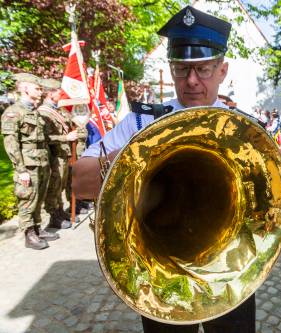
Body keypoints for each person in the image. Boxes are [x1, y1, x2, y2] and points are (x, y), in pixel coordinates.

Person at [72, 6, 255, 333]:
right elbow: (78, 182)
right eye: (182, 70)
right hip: (159, 274)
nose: (192, 81)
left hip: (230, 270)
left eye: (203, 69)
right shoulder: (142, 120)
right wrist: (117, 161)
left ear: (222, 70)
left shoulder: (246, 130)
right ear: (171, 70)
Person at [1, 73, 59, 249]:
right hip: (27, 164)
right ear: (25, 88)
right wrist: (21, 169)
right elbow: (11, 144)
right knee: (27, 198)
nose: (41, 92)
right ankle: (28, 234)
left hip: (41, 162)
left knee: (39, 197)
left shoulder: (34, 112)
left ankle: (36, 227)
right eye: (37, 88)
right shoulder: (13, 112)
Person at [37, 78, 80, 229]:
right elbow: (45, 137)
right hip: (54, 156)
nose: (61, 94)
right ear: (50, 93)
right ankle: (53, 216)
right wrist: (65, 138)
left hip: (62, 154)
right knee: (54, 187)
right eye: (58, 92)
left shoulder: (55, 110)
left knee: (60, 185)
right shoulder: (44, 112)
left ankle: (60, 211)